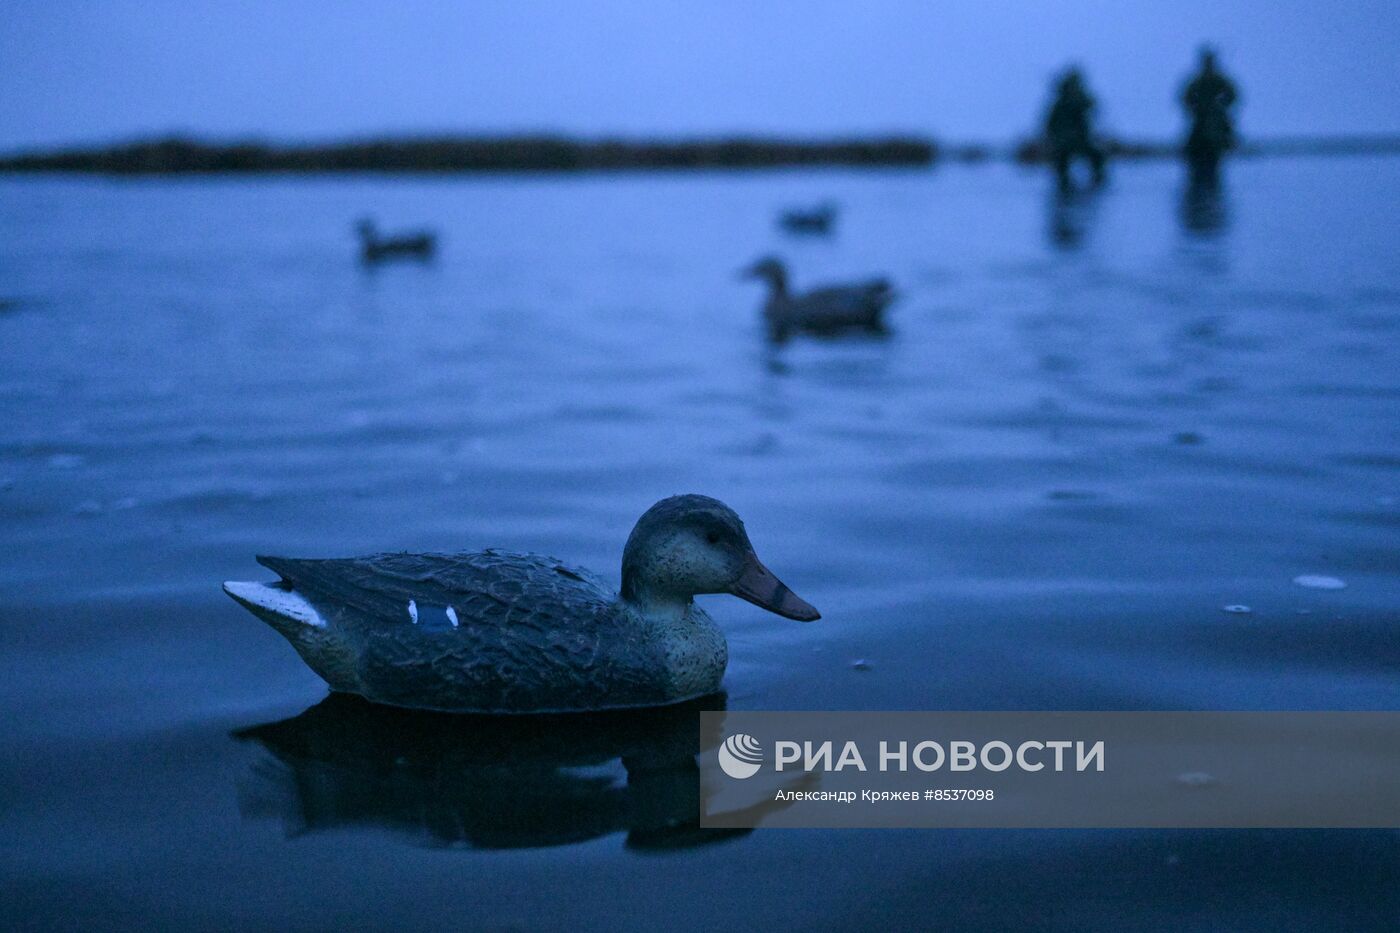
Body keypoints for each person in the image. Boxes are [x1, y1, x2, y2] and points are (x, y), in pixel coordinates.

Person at [1181, 47, 1239, 183]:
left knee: (1214, 166)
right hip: (1199, 128)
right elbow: (1186, 98)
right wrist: (1196, 108)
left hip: (1215, 130)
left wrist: (1220, 106)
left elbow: (1232, 95)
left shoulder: (1220, 80)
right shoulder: (1197, 81)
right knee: (1197, 165)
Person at [1044, 67, 1107, 191]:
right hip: (1066, 143)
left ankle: (1096, 184)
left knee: (1096, 159)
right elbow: (1050, 124)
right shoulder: (1061, 104)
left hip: (1078, 141)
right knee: (1063, 169)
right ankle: (1067, 186)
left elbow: (1090, 105)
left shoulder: (1076, 100)